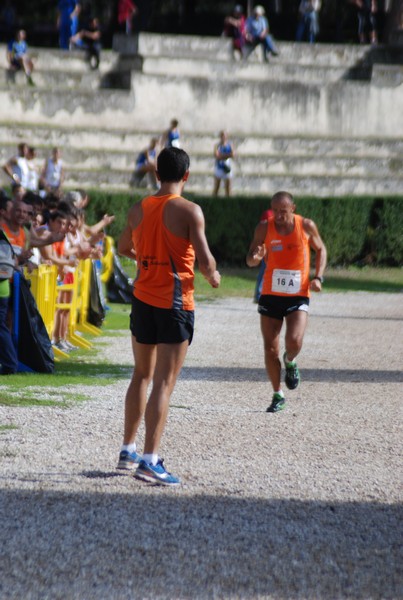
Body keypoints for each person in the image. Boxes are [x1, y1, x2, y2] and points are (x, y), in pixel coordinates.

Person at [116, 147, 220, 486]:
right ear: (186, 175)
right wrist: (213, 276)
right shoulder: (190, 211)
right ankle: (150, 460)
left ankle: (127, 449)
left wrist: (144, 257)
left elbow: (122, 248)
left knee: (141, 375)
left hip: (143, 300)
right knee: (163, 382)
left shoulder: (137, 209)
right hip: (175, 304)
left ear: (157, 174)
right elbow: (205, 260)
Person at [246, 191, 327, 413]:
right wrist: (257, 256)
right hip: (271, 294)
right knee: (270, 348)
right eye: (276, 211)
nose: (279, 215)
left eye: (284, 211)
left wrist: (318, 277)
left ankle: (290, 360)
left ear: (293, 208)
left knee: (294, 340)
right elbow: (250, 260)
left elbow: (321, 249)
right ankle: (277, 394)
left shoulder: (306, 226)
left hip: (298, 293)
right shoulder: (264, 227)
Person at [213, 130, 235, 197]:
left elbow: (233, 155)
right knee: (216, 187)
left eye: (225, 136)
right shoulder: (217, 145)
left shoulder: (230, 145)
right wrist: (228, 155)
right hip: (219, 167)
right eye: (222, 136)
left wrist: (222, 155)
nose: (223, 137)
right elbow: (216, 156)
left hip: (227, 167)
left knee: (228, 188)